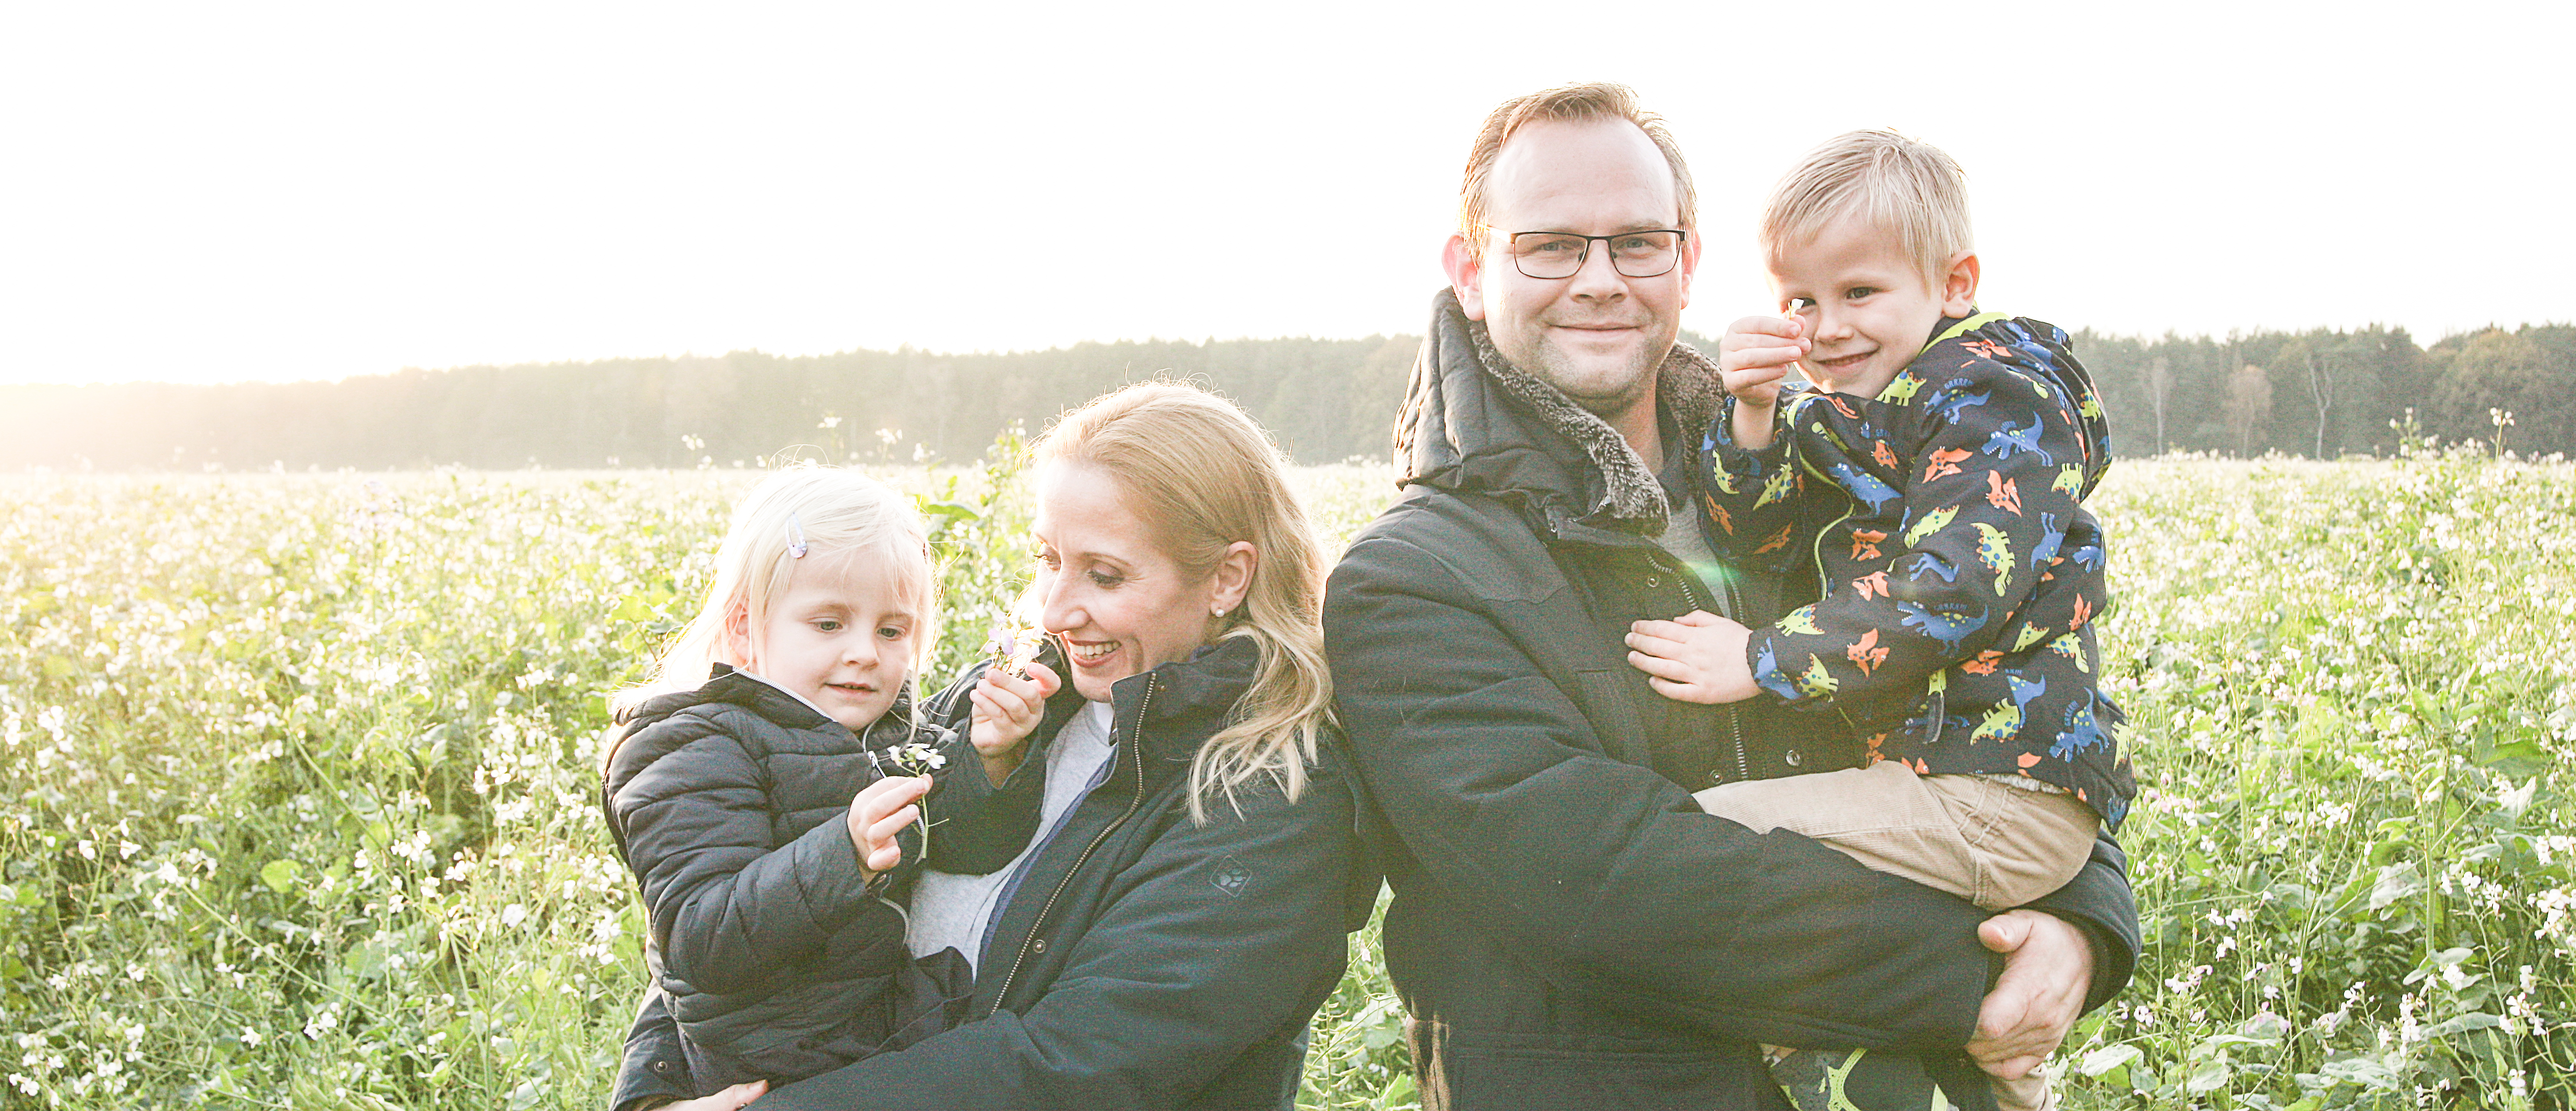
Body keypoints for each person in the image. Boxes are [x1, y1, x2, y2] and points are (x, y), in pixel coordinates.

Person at [1322, 83, 2139, 1111]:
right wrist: (1975, 979)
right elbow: (1617, 888)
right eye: (1550, 246)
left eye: (1637, 243)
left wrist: (2082, 930)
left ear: (1689, 264)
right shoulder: (1409, 583)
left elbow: (1999, 723)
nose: (1600, 280)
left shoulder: (1830, 481)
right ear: (1472, 272)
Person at [611, 382, 1375, 1111]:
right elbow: (740, 904)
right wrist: (660, 1091)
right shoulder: (1017, 693)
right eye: (1048, 559)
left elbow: (1070, 1071)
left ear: (1226, 578)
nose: (1054, 608)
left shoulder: (1277, 796)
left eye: (1104, 575)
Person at [1622, 131, 2138, 1111]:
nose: (1824, 328)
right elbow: (1756, 538)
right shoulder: (1865, 405)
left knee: (1713, 850)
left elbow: (1958, 582)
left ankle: (1837, 1079)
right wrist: (1756, 416)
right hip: (1942, 779)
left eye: (1859, 294)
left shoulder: (1995, 398)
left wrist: (1763, 660)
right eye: (1800, 301)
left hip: (1992, 791)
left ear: (1956, 283)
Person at [599, 466, 1052, 1098]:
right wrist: (847, 854)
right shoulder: (692, 747)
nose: (866, 652)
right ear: (742, 629)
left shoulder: (890, 733)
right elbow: (702, 939)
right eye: (829, 624)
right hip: (776, 1067)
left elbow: (973, 850)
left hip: (865, 1031)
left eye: (892, 630)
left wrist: (994, 758)